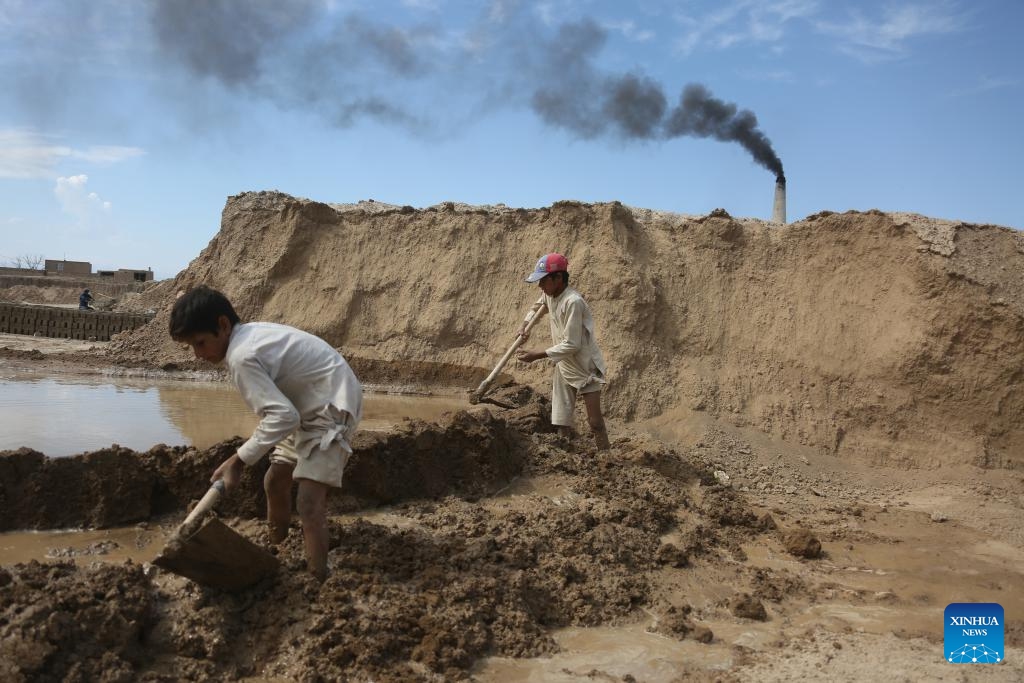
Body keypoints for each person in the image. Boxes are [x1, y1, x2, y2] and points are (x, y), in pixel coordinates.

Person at [169, 285, 362, 582]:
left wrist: (237, 461)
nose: (197, 355)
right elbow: (286, 415)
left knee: (308, 503)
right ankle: (277, 549)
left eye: (200, 343)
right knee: (274, 481)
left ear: (223, 325)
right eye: (191, 347)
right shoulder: (246, 338)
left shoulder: (241, 355)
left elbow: (283, 417)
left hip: (331, 407)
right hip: (306, 405)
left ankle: (318, 578)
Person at [516, 253, 610, 450]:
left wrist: (537, 355)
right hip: (564, 364)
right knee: (561, 418)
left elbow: (572, 344)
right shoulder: (549, 295)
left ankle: (606, 456)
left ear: (558, 278)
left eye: (543, 281)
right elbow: (537, 307)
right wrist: (524, 326)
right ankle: (562, 453)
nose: (540, 286)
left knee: (595, 422)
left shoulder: (573, 302)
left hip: (585, 366)